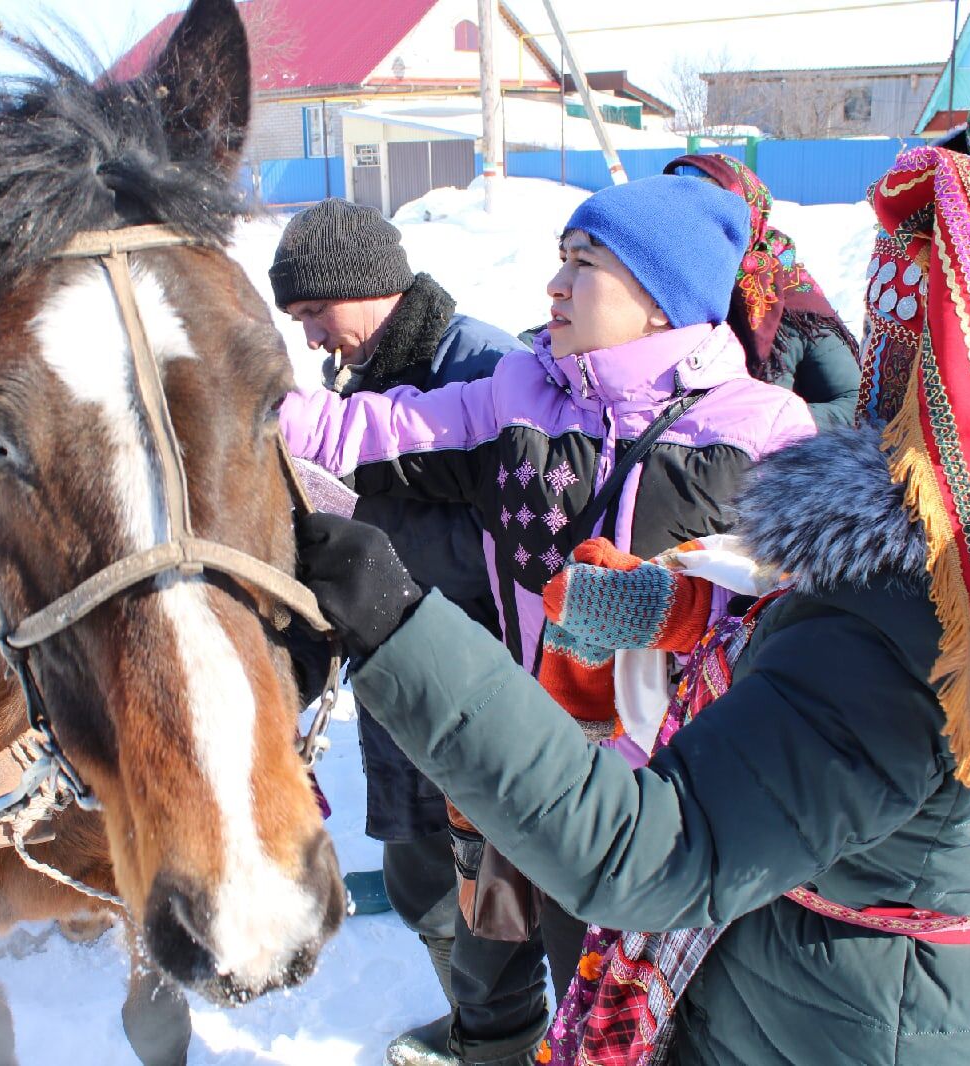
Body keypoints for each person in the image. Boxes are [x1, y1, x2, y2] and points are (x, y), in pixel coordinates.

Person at [291, 147, 970, 1065]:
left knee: (591, 948)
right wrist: (672, 602)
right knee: (537, 953)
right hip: (663, 849)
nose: (897, 333)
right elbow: (759, 601)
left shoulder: (887, 582)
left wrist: (403, 628)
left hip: (761, 931)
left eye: (939, 315)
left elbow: (664, 853)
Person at [282, 176, 815, 1066]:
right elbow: (369, 430)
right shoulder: (520, 389)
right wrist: (222, 403)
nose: (555, 287)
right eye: (560, 261)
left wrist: (680, 607)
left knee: (600, 1001)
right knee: (485, 969)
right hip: (517, 752)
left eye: (583, 264)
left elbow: (801, 606)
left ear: (658, 298)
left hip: (656, 800)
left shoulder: (764, 428)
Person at [268, 198, 524, 1063]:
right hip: (397, 660)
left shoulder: (485, 366)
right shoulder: (369, 370)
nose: (309, 341)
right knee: (424, 870)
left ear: (367, 286)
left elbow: (521, 534)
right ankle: (470, 1009)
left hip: (474, 668)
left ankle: (496, 1036)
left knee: (495, 891)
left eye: (313, 315)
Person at [661, 154, 861, 428]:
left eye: (710, 211)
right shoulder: (663, 286)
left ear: (747, 214)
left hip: (778, 463)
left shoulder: (794, 299)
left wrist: (763, 422)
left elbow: (852, 404)